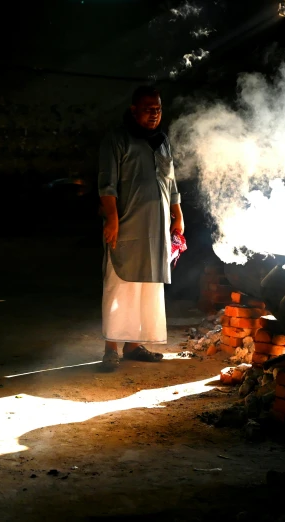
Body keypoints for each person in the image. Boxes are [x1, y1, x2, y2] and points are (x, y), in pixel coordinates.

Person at [97, 85, 184, 371]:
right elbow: (107, 183)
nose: (154, 114)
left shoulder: (162, 141)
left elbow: (170, 182)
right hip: (126, 224)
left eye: (158, 109)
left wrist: (177, 213)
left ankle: (133, 345)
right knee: (120, 283)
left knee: (147, 285)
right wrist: (112, 218)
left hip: (156, 227)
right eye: (148, 109)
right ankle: (112, 347)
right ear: (134, 110)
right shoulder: (117, 139)